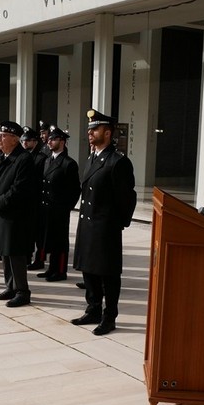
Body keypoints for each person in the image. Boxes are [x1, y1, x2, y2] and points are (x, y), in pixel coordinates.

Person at [71, 110, 136, 335]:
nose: (90, 132)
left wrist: (117, 224)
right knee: (89, 271)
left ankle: (110, 316)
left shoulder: (118, 162)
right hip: (88, 226)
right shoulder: (92, 157)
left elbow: (127, 198)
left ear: (107, 133)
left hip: (105, 228)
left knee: (108, 275)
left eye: (95, 129)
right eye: (89, 129)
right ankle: (93, 309)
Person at [0, 120, 37, 307]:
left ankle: (22, 291)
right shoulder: (0, 157)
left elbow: (19, 189)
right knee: (5, 252)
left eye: (3, 135)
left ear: (14, 139)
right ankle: (10, 287)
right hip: (1, 214)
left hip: (16, 216)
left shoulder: (23, 159)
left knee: (15, 253)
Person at [36, 125, 81, 282]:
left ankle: (60, 271)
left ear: (62, 142)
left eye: (53, 139)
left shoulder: (69, 163)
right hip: (46, 208)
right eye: (49, 139)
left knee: (60, 242)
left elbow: (75, 190)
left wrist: (66, 207)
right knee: (48, 239)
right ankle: (51, 268)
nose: (49, 142)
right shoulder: (48, 160)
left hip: (59, 209)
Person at [21, 126, 48, 271]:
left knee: (39, 234)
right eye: (23, 141)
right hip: (25, 201)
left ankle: (40, 259)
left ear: (35, 142)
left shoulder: (41, 158)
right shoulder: (23, 156)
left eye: (28, 141)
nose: (25, 143)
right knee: (26, 232)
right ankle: (27, 256)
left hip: (37, 200)